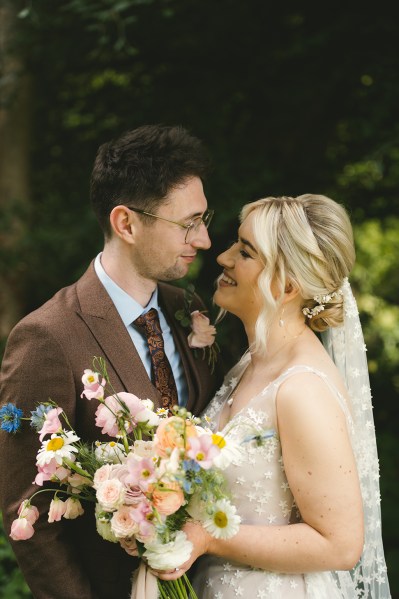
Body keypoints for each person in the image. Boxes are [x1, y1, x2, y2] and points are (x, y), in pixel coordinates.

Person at [0, 124, 223, 599]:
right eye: (188, 223)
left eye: (203, 219)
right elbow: (29, 512)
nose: (203, 239)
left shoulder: (190, 309)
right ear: (126, 223)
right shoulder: (48, 337)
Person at [156, 194, 391, 598]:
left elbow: (340, 544)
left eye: (245, 252)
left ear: (286, 285)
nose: (223, 258)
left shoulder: (302, 389)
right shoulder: (250, 364)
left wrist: (209, 538)